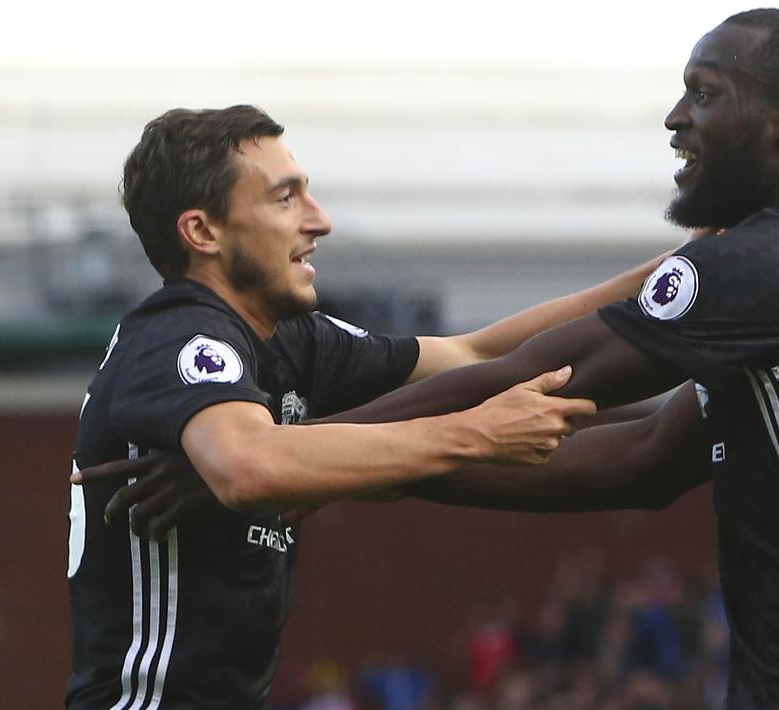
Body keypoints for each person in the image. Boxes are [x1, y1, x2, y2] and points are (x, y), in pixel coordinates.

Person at [83, 9, 779, 708]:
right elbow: (639, 457)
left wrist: (294, 468)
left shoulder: (775, 261)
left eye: (705, 94)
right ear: (201, 230)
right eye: (288, 198)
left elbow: (509, 373)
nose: (676, 118)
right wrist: (332, 463)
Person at [65, 104, 673, 708]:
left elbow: (475, 355)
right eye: (285, 199)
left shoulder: (292, 340)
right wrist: (476, 434)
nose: (319, 220)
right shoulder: (180, 333)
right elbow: (249, 465)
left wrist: (679, 274)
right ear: (202, 232)